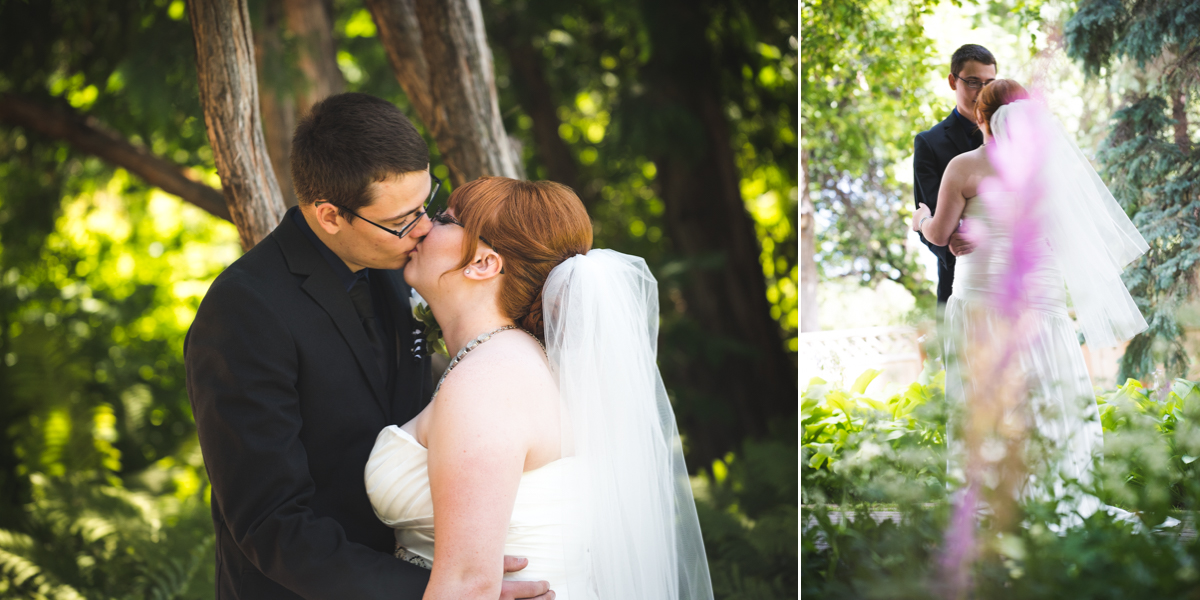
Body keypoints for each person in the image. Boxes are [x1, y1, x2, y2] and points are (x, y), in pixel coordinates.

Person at [185, 93, 551, 600]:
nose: (424, 228)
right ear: (330, 215)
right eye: (402, 219)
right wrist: (436, 588)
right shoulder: (244, 311)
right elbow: (271, 523)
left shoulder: (401, 276)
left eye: (427, 202)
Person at [366, 177, 714, 599]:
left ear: (483, 263)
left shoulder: (490, 380)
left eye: (443, 219)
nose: (422, 226)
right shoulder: (512, 361)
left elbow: (468, 583)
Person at [910, 80, 1149, 521]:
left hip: (979, 298)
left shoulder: (964, 167)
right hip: (1039, 298)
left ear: (980, 117)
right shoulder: (1048, 172)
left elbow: (941, 235)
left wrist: (921, 218)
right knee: (1046, 392)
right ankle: (1055, 491)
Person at [913, 44, 998, 305]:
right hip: (960, 282)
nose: (982, 92)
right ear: (953, 81)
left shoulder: (1019, 143)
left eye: (989, 83)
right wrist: (948, 244)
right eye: (973, 82)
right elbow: (930, 209)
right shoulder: (929, 143)